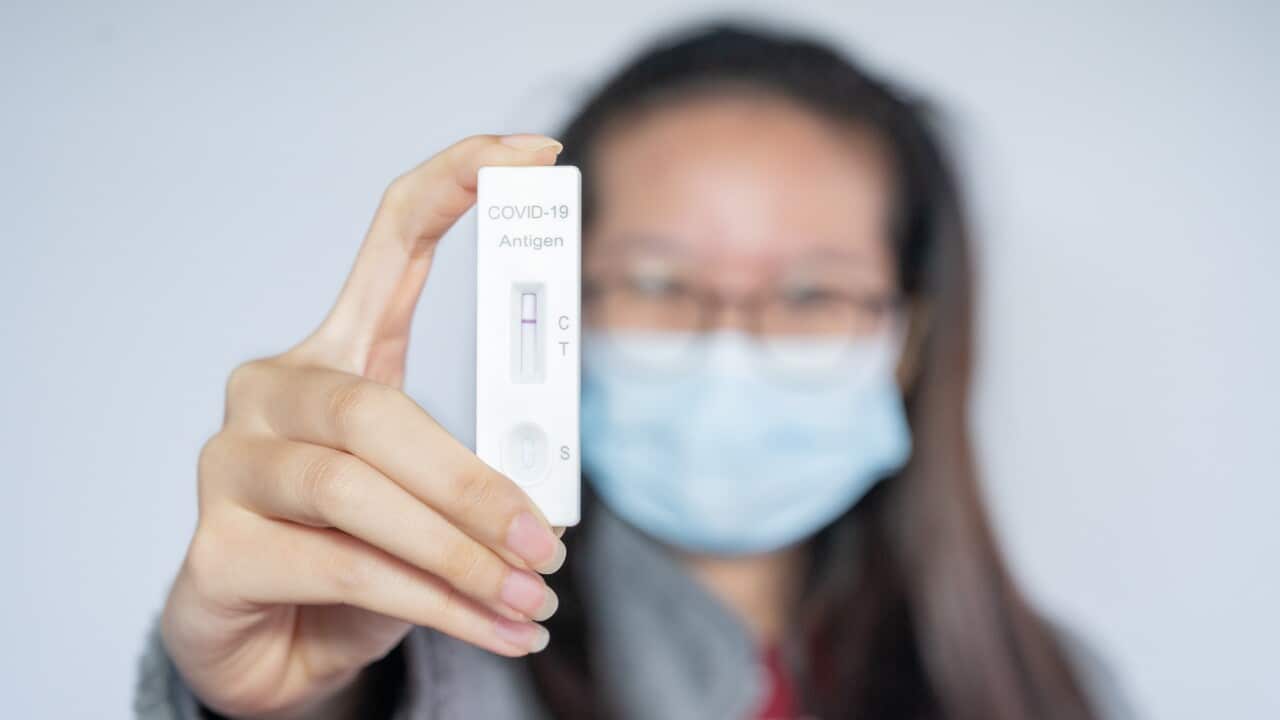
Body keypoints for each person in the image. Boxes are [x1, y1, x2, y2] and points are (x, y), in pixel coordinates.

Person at [136, 23, 1131, 720]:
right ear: (559, 303)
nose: (728, 346)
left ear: (906, 339)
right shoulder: (420, 645)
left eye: (809, 295)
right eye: (658, 281)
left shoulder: (1052, 689)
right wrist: (289, 709)